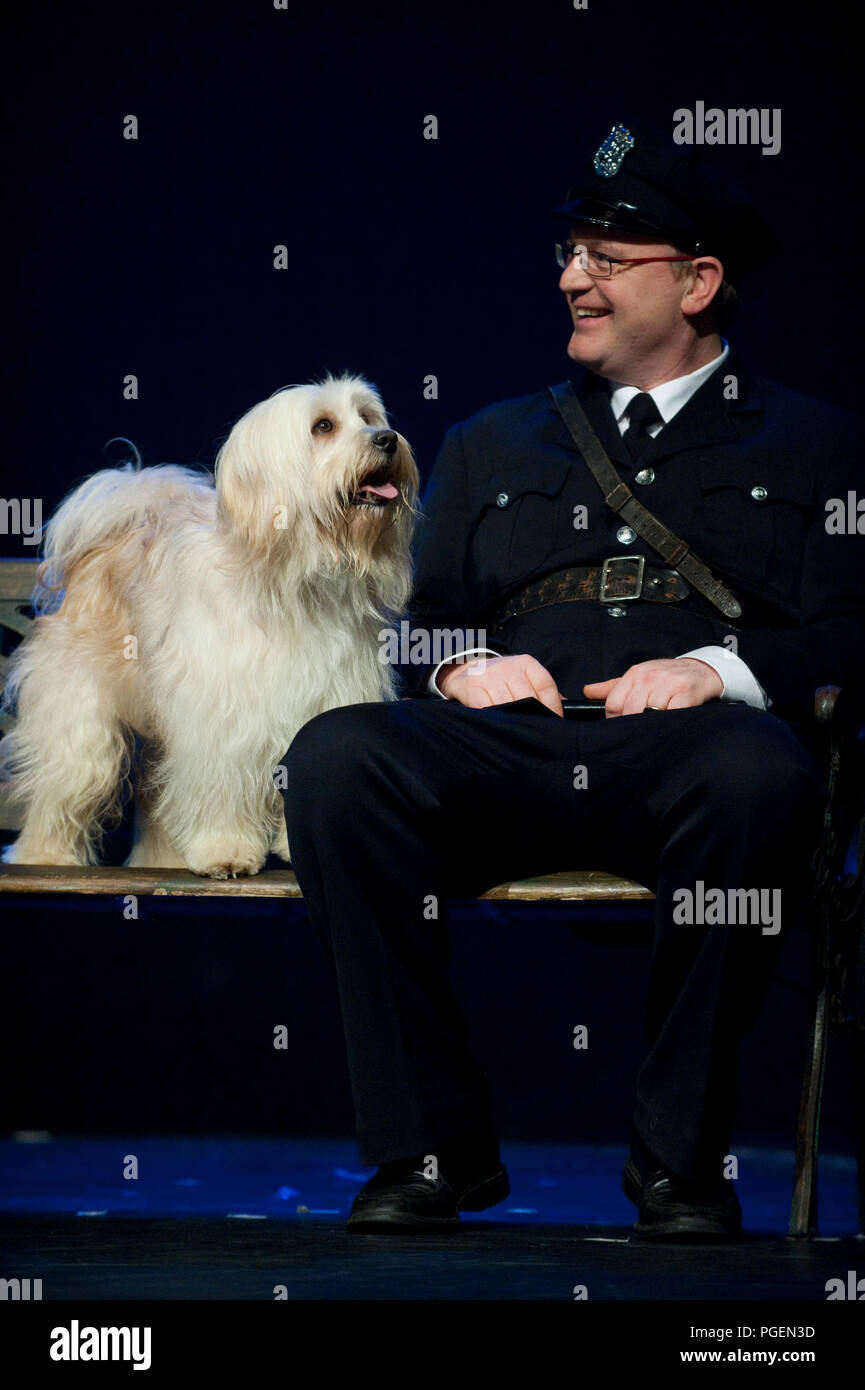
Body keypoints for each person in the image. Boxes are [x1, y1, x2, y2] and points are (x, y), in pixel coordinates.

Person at [280, 120, 864, 1240]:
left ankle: (680, 1164)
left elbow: (848, 636)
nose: (572, 279)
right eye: (570, 255)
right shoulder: (491, 442)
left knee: (758, 777)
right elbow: (416, 624)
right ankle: (429, 1150)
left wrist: (716, 669)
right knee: (341, 756)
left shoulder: (815, 445)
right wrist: (458, 664)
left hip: (690, 759)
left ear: (698, 281)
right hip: (515, 749)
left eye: (606, 258)